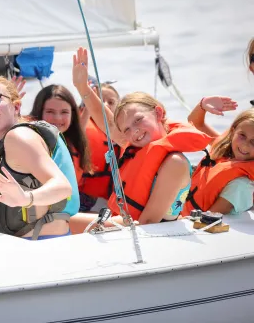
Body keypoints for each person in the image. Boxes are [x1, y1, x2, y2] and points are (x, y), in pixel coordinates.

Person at [69, 47, 211, 233]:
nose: (134, 131)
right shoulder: (137, 145)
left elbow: (149, 222)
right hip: (126, 224)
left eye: (138, 120)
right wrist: (82, 87)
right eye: (126, 129)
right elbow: (110, 124)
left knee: (61, 223)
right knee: (59, 219)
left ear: (158, 112)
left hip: (146, 235)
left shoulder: (175, 163)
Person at [0, 76, 79, 240]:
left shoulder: (18, 137)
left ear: (16, 106)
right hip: (38, 244)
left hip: (38, 247)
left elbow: (63, 187)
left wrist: (25, 198)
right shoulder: (11, 139)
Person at [182, 96, 254, 215]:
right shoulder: (224, 149)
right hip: (181, 212)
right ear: (233, 131)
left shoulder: (241, 185)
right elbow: (195, 123)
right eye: (242, 135)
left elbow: (209, 218)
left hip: (194, 224)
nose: (245, 146)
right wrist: (203, 105)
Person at [28, 84, 92, 197]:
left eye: (64, 112)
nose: (57, 118)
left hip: (66, 207)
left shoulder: (73, 140)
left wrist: (89, 105)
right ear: (39, 112)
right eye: (50, 112)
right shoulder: (26, 139)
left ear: (72, 115)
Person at [78, 80, 121, 210]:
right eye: (100, 100)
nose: (105, 105)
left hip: (115, 199)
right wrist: (87, 109)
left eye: (111, 102)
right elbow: (74, 137)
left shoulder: (129, 130)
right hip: (84, 198)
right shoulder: (83, 125)